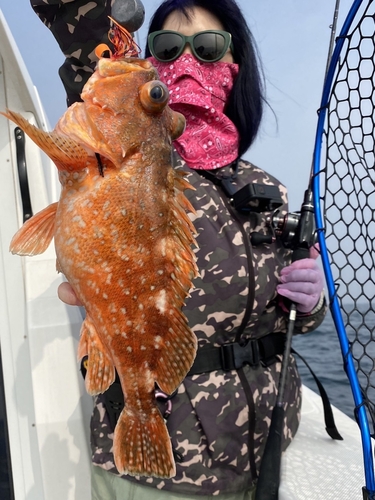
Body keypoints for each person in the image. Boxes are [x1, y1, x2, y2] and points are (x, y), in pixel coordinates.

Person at [31, 0, 327, 498]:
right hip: (161, 469)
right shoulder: (126, 160)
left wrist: (313, 300)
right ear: (153, 66)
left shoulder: (266, 189)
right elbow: (99, 68)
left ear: (236, 66)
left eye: (209, 48)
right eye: (168, 47)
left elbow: (294, 321)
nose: (189, 62)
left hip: (262, 449)